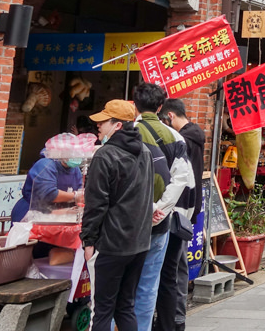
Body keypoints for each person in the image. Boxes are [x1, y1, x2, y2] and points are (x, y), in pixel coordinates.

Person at [81, 99, 154, 331]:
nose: (99, 126)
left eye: (104, 121)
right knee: (125, 307)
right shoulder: (145, 151)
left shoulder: (105, 155)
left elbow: (96, 204)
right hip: (139, 243)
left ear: (118, 125)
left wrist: (88, 240)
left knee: (102, 309)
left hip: (111, 244)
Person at [133, 83, 194, 331]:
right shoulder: (175, 137)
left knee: (132, 279)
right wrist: (162, 207)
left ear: (134, 105)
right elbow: (183, 178)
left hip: (132, 220)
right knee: (164, 277)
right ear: (160, 107)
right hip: (168, 218)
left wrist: (149, 208)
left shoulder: (127, 132)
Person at [159, 97, 205, 331]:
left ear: (170, 117)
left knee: (173, 265)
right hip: (189, 207)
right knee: (178, 263)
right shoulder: (194, 135)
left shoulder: (181, 141)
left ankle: (175, 317)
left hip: (178, 207)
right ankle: (177, 315)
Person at [10, 136, 83, 223]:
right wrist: (75, 196)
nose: (76, 155)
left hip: (54, 214)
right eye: (72, 152)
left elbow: (79, 189)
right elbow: (49, 194)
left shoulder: (75, 169)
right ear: (60, 152)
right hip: (32, 213)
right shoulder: (45, 165)